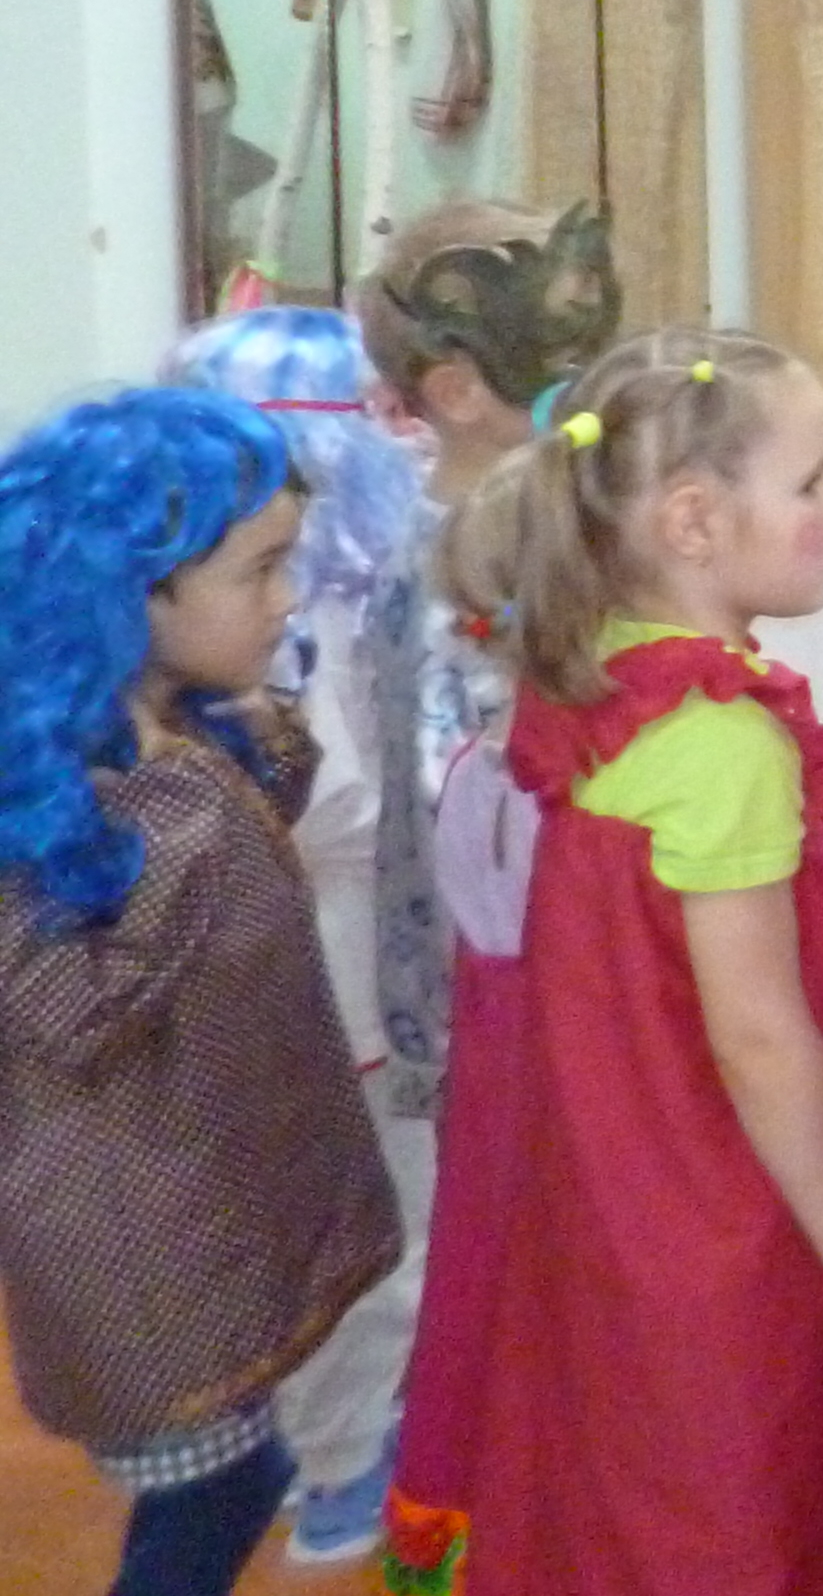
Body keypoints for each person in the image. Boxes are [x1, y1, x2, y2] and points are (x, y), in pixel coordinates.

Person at [454, 327, 823, 1596]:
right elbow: (758, 1038)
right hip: (728, 1209)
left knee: (630, 1475)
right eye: (813, 481)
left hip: (615, 1188)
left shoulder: (594, 676)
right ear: (694, 521)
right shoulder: (721, 743)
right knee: (741, 1492)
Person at [0, 388, 405, 1596]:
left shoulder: (154, 744)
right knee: (219, 1489)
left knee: (232, 1477)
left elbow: (237, 852)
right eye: (260, 571)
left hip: (196, 1220)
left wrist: (241, 747)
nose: (286, 601)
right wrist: (188, 806)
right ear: (129, 595)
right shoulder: (56, 794)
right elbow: (68, 1006)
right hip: (135, 1260)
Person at [346, 200, 621, 1596]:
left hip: (541, 973)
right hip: (496, 987)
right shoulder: (447, 564)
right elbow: (466, 813)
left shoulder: (540, 526)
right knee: (499, 1255)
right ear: (456, 388)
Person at [154, 309, 443, 1570]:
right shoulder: (309, 613)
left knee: (293, 1226)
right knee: (372, 1224)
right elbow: (354, 807)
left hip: (273, 971)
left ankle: (314, 1446)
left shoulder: (208, 610)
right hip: (337, 968)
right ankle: (344, 1469)